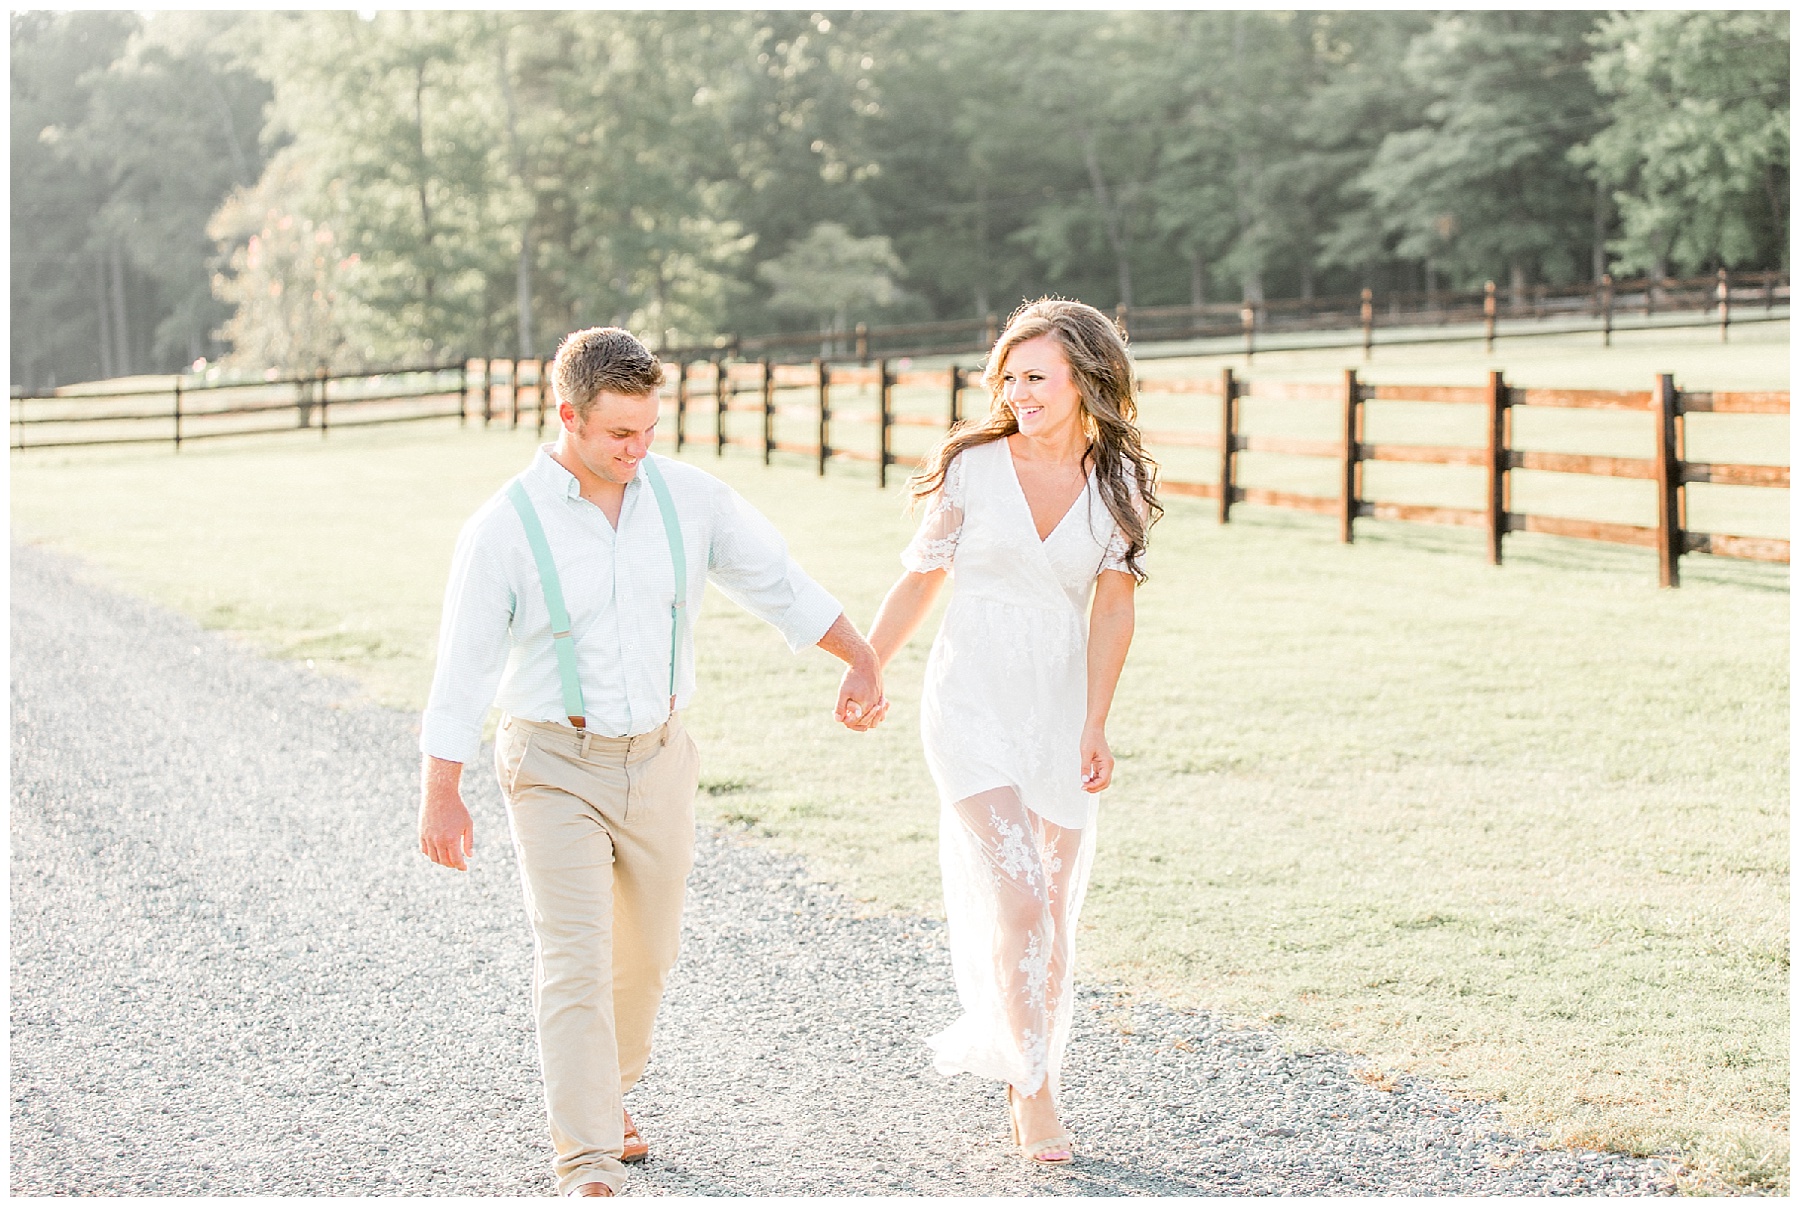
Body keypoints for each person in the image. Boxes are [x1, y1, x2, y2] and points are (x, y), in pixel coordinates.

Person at [416, 326, 887, 1197]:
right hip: (552, 761)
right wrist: (441, 790)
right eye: (619, 434)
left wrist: (859, 655)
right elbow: (462, 671)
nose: (638, 449)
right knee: (574, 957)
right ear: (568, 417)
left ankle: (607, 1091)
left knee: (648, 954)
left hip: (661, 757)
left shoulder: (689, 498)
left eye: (648, 430)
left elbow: (777, 581)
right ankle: (587, 1160)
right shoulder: (504, 528)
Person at [863, 298, 1160, 1165]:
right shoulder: (973, 466)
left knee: (1052, 909)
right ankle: (1031, 1087)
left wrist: (1096, 720)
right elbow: (923, 577)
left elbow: (1114, 608)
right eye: (1009, 378)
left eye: (1036, 377)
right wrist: (868, 664)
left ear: (1086, 379)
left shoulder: (1118, 482)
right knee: (1023, 894)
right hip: (970, 700)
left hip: (1059, 706)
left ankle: (1034, 1061)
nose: (1017, 393)